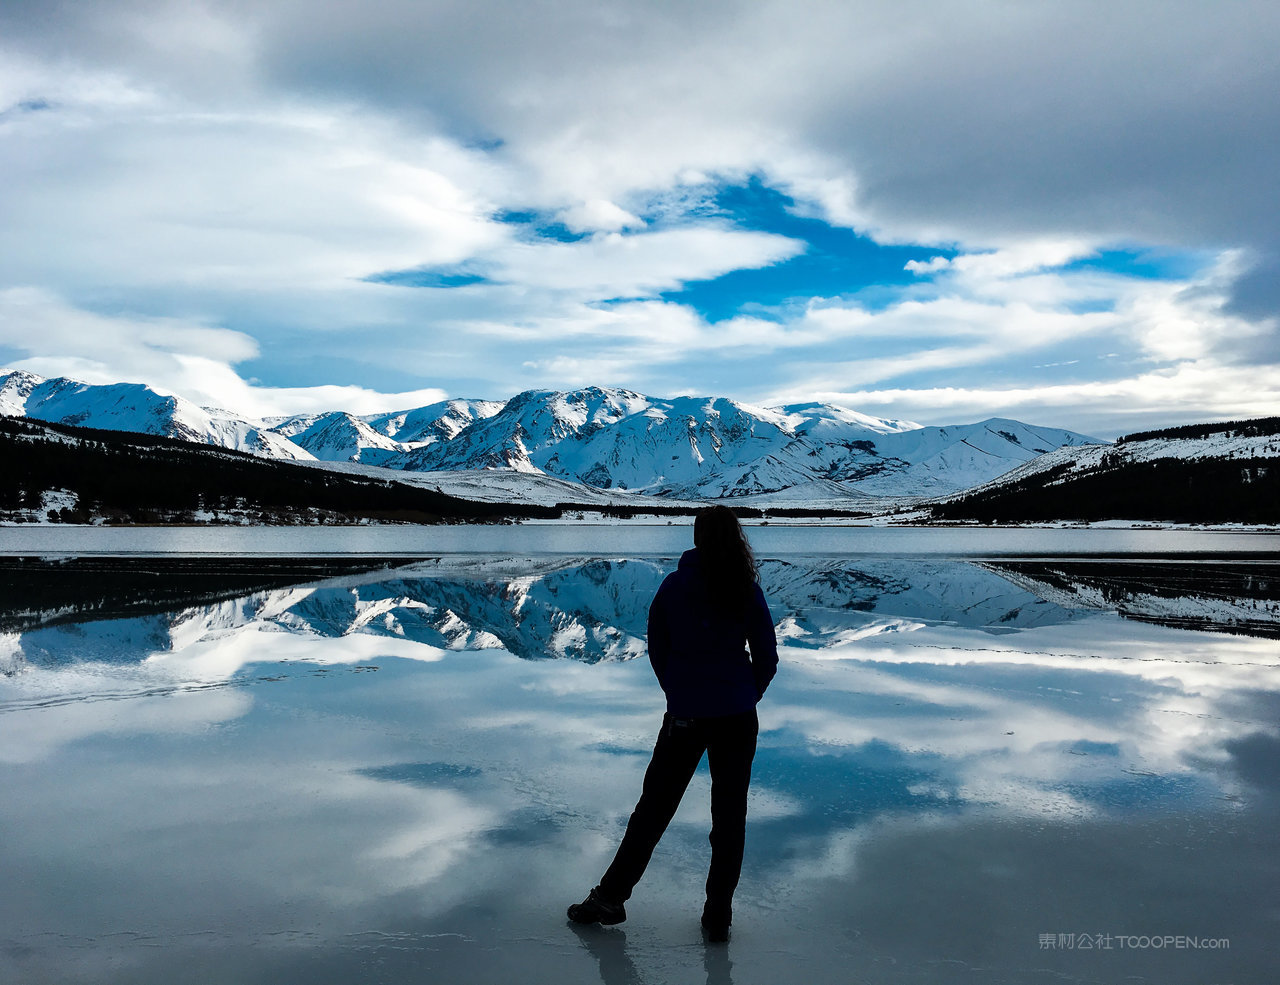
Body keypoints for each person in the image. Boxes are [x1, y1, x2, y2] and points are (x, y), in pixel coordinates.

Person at [568, 505, 779, 943]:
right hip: (737, 718)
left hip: (685, 715)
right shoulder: (745, 588)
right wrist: (744, 695)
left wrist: (679, 693)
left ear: (697, 538)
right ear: (735, 539)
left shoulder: (674, 586)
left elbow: (658, 648)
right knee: (730, 817)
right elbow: (767, 657)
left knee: (653, 811)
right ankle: (718, 915)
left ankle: (610, 898)